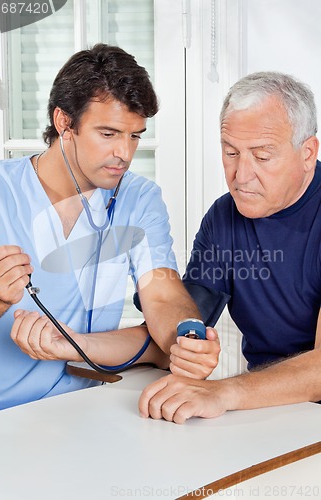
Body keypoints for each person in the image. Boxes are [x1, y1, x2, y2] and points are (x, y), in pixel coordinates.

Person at [0, 44, 220, 413]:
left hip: (86, 409)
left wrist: (187, 336)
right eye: (109, 134)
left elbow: (162, 295)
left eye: (135, 136)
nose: (125, 154)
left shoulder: (139, 198)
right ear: (64, 123)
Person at [139, 71, 321, 424]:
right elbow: (184, 320)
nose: (241, 175)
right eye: (231, 152)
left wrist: (223, 392)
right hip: (266, 410)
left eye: (262, 156)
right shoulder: (225, 216)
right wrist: (73, 343)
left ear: (307, 153)